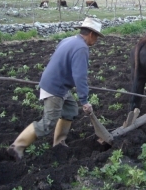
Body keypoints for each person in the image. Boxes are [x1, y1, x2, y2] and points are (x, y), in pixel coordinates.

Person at [7, 17, 104, 160]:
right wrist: (84, 101)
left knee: (70, 109)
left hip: (57, 84)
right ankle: (17, 147)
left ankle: (59, 143)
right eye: (96, 37)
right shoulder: (82, 48)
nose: (96, 41)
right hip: (55, 88)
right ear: (91, 34)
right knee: (48, 123)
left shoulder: (69, 40)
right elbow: (80, 77)